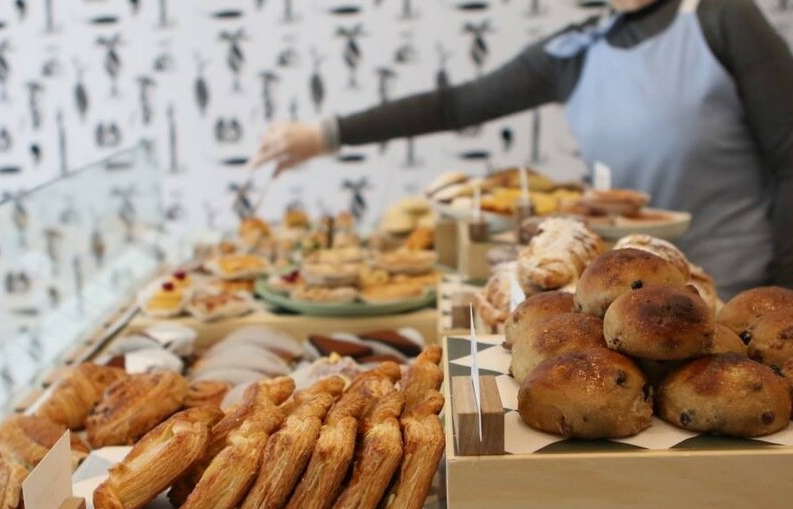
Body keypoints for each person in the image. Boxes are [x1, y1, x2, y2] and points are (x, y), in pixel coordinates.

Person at [250, 0, 793, 299]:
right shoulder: (576, 51)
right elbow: (455, 105)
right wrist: (323, 134)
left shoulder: (722, 19)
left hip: (733, 287)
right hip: (624, 294)